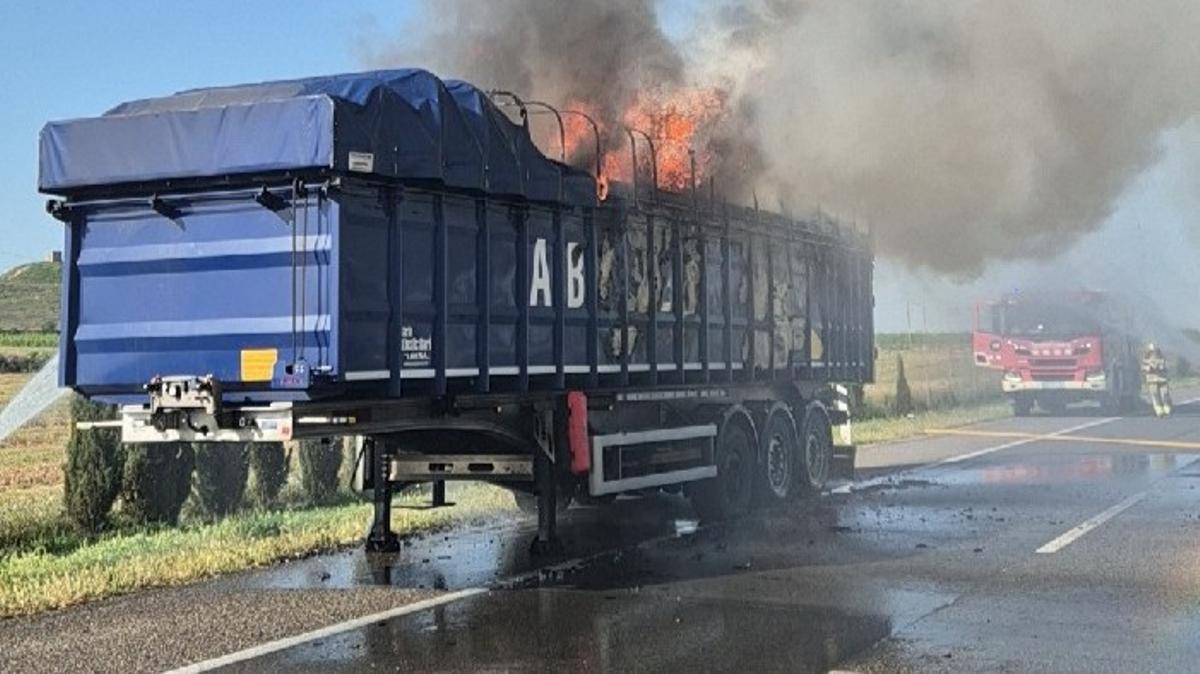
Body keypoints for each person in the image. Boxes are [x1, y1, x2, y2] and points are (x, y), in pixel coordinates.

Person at [1142, 342, 1172, 417]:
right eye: (1152, 351)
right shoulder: (1146, 359)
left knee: (1165, 393)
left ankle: (1167, 406)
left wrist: (1162, 367)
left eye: (1155, 351)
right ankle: (1159, 410)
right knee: (1154, 394)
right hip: (1151, 379)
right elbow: (1143, 367)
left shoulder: (1162, 358)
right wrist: (1148, 368)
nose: (1153, 353)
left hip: (1162, 379)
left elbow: (1167, 366)